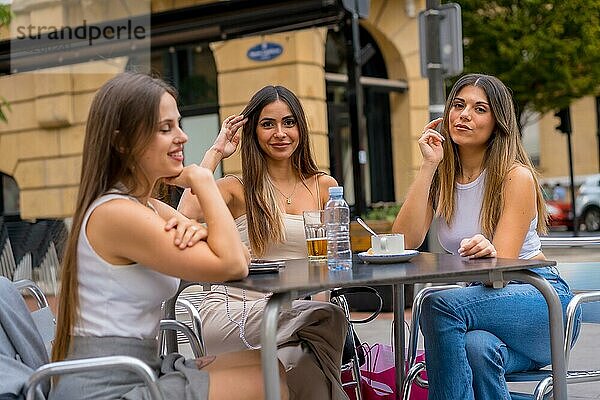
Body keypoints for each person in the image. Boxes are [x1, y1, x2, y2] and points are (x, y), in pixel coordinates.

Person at [50, 73, 288, 400]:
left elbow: (240, 254)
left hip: (143, 367)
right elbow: (233, 263)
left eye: (178, 124)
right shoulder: (116, 214)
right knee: (264, 382)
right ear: (122, 142)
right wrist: (202, 180)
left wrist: (205, 233)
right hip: (106, 387)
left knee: (269, 365)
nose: (183, 137)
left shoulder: (147, 207)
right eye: (165, 128)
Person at [392, 73, 580, 400]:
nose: (464, 114)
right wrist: (428, 167)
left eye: (480, 109)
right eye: (459, 105)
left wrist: (489, 248)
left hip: (540, 301)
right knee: (476, 349)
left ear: (498, 123)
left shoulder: (514, 176)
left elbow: (502, 266)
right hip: (485, 308)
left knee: (438, 305)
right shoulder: (441, 178)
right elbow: (402, 242)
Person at [178, 85, 349, 400]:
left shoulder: (324, 186)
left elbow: (330, 265)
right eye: (268, 124)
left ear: (300, 128)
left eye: (288, 122)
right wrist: (216, 151)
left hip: (297, 319)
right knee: (329, 317)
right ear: (253, 132)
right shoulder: (235, 188)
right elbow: (185, 213)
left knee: (308, 368)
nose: (280, 133)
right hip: (235, 312)